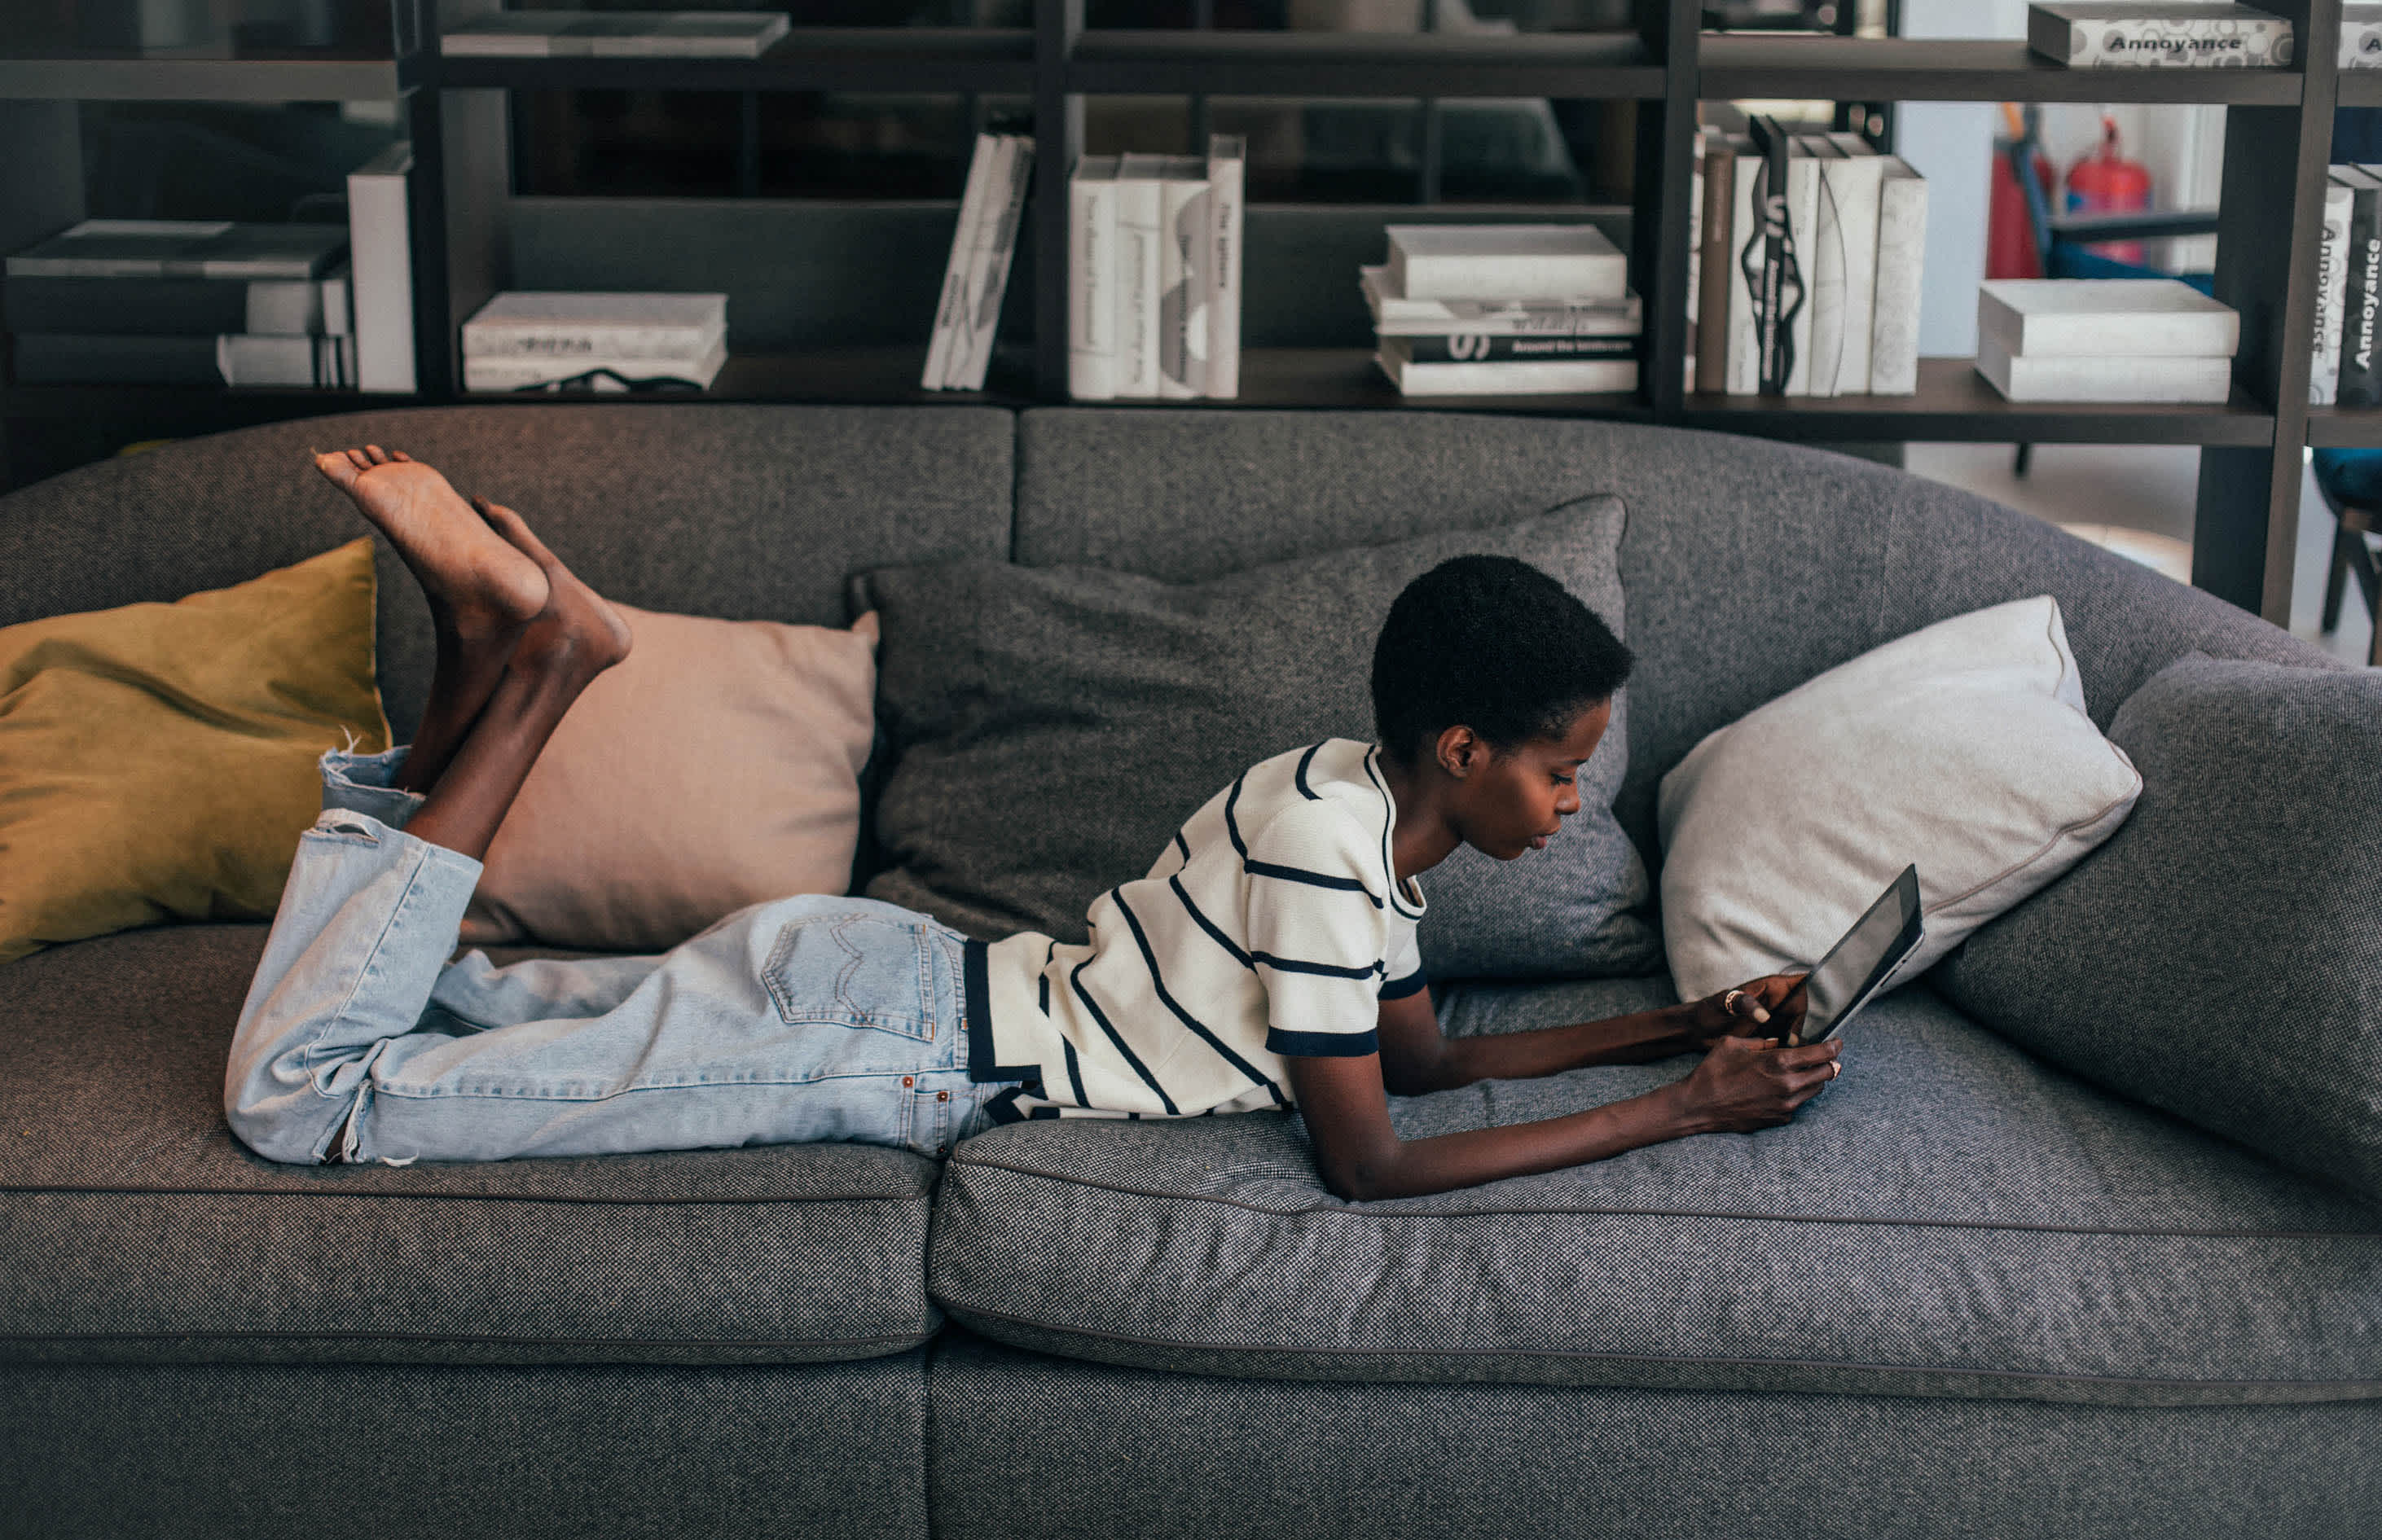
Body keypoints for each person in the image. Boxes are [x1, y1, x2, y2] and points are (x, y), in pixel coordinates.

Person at [226, 445, 1842, 1195]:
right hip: (887, 1043)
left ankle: (468, 647)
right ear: (1462, 745)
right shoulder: (1328, 870)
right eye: (1561, 769)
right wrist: (1684, 1113)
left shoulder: (1332, 805)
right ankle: (546, 667)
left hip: (879, 980)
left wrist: (1678, 1028)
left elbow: (1417, 1062)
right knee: (309, 1101)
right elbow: (1368, 1160)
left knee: (439, 996)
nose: (1574, 804)